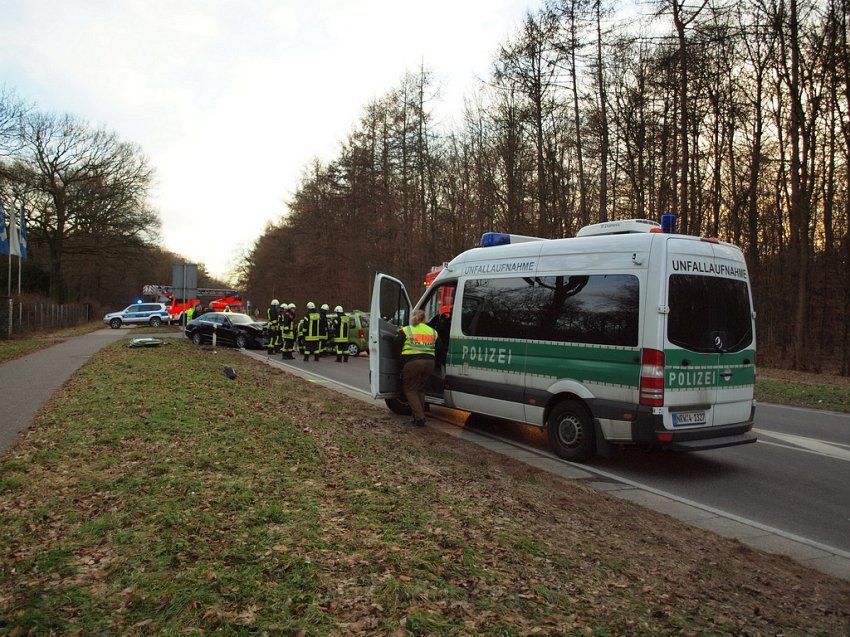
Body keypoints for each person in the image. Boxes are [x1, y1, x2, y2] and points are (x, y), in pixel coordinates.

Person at [394, 309, 438, 427]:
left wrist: (401, 362)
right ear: (425, 319)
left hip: (413, 363)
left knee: (410, 390)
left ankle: (420, 418)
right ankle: (417, 415)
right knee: (420, 389)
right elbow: (440, 347)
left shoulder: (407, 330)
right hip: (429, 363)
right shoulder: (433, 331)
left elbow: (396, 345)